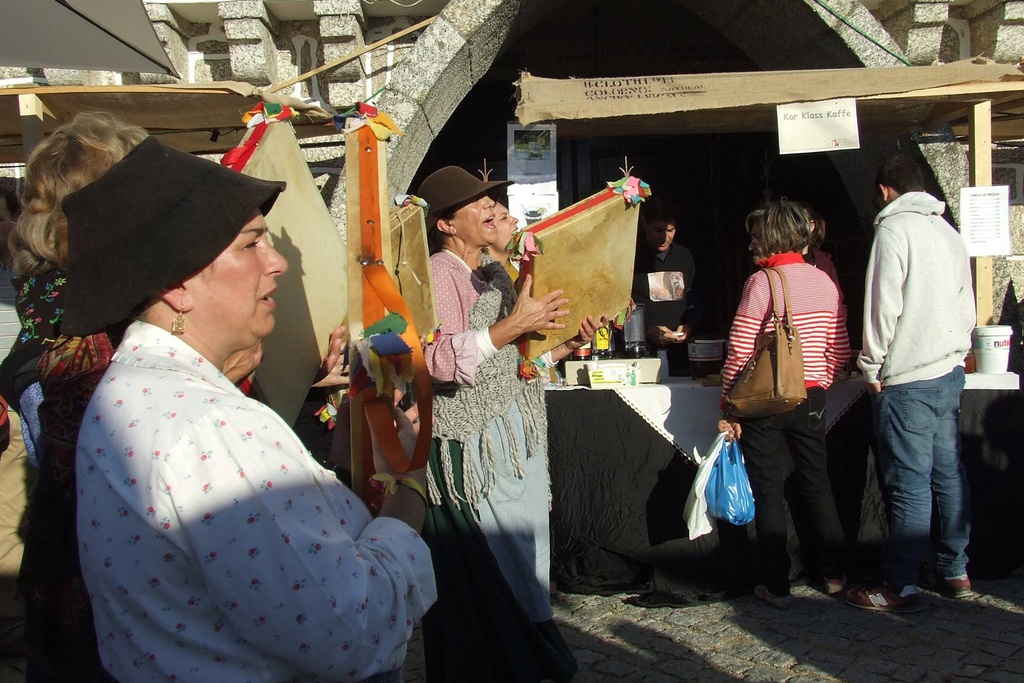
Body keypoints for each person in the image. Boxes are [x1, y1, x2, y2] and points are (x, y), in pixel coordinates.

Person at [62, 137, 436, 682]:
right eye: (249, 244)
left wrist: (328, 483)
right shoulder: (213, 423)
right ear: (177, 286)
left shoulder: (129, 387)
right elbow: (348, 632)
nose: (278, 261)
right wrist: (408, 488)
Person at [416, 166, 592, 682]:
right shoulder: (438, 272)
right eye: (478, 202)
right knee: (490, 567)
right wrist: (517, 322)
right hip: (470, 451)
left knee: (526, 556)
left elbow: (515, 368)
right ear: (447, 223)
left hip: (516, 438)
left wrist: (565, 346)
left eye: (493, 196)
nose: (493, 205)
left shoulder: (496, 275)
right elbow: (435, 360)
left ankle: (527, 661)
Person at [844, 154, 975, 614]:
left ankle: (900, 586)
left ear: (883, 190)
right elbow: (967, 305)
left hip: (909, 378)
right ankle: (954, 567)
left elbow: (883, 307)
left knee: (911, 485)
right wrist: (958, 352)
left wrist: (871, 365)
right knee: (949, 473)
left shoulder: (893, 231)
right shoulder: (948, 232)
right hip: (948, 370)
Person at [718, 200, 849, 610]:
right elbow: (839, 348)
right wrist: (821, 379)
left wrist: (728, 403)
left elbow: (740, 349)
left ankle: (776, 585)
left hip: (768, 399)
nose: (751, 243)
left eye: (756, 235)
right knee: (818, 484)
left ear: (771, 237)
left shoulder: (763, 283)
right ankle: (833, 575)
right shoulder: (825, 282)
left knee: (768, 491)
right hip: (811, 395)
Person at [631, 195, 701, 376]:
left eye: (671, 230)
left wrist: (689, 326)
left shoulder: (684, 256)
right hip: (640, 354)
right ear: (645, 223)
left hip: (682, 356)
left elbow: (694, 298)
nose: (665, 237)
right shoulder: (630, 255)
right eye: (658, 230)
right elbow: (618, 306)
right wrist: (646, 330)